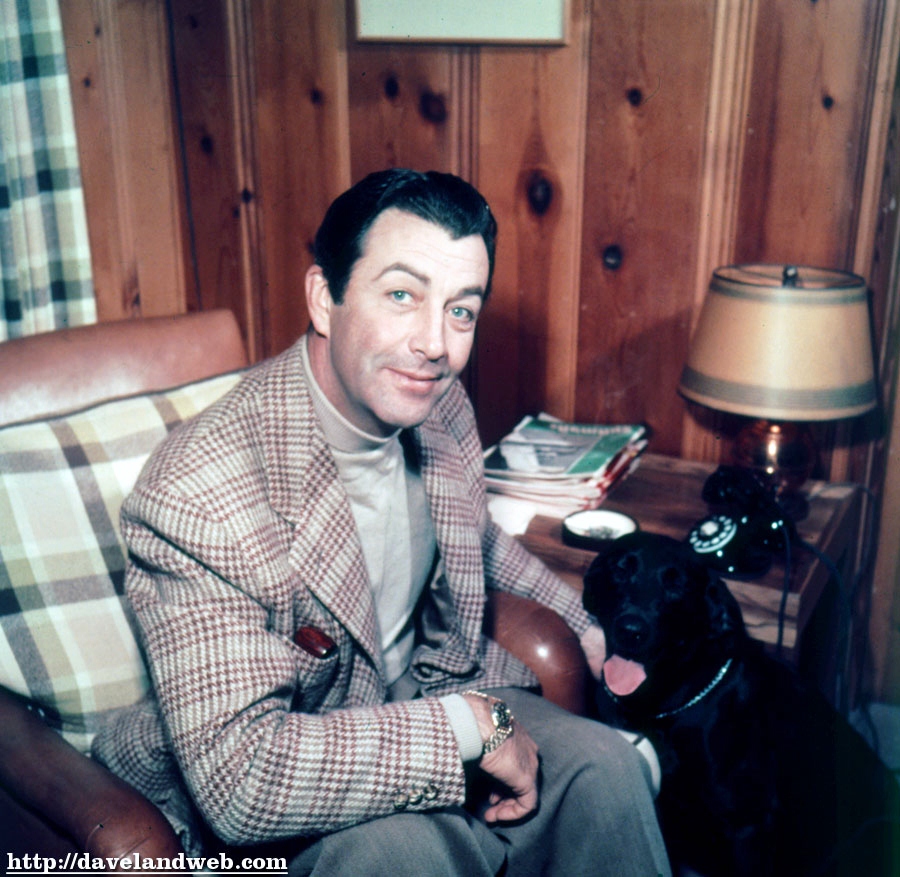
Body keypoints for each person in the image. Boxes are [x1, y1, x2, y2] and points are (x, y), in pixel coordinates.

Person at [93, 169, 670, 876]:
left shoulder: (438, 404)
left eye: (461, 310)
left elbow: (477, 539)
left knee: (607, 770)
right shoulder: (197, 490)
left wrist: (584, 627)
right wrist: (468, 728)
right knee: (408, 852)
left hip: (423, 692)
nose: (436, 344)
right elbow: (242, 781)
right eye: (402, 295)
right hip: (282, 764)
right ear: (324, 299)